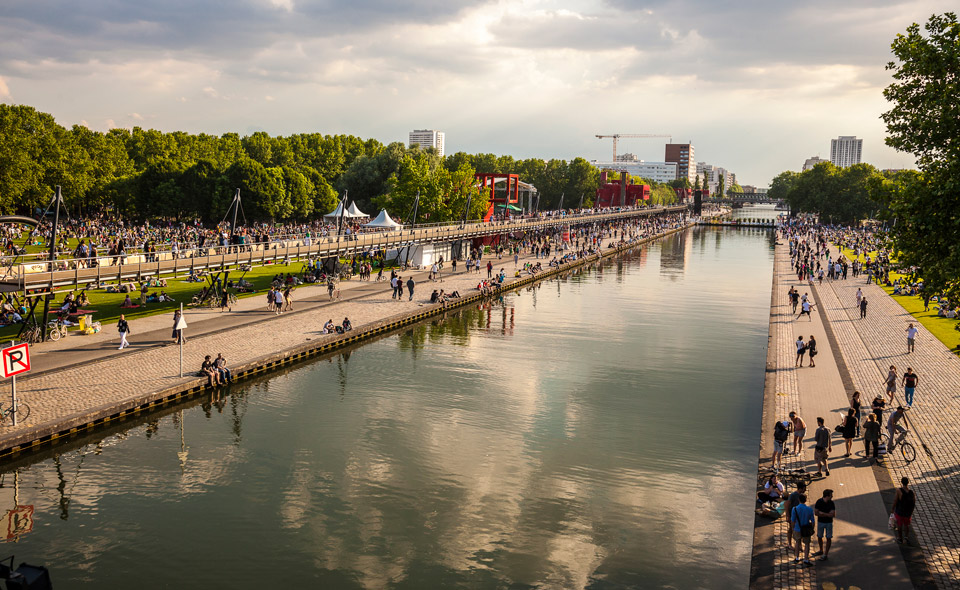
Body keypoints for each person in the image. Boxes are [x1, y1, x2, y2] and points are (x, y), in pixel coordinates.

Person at [791, 493, 815, 566]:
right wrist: (812, 529)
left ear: (799, 499)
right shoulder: (809, 509)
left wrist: (793, 528)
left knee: (797, 543)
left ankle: (797, 557)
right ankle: (806, 559)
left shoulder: (794, 509)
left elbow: (793, 520)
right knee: (807, 544)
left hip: (797, 528)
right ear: (805, 500)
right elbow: (813, 521)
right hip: (806, 530)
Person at [813, 489, 836, 561]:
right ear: (827, 496)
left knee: (828, 537)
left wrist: (823, 513)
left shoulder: (831, 503)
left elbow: (833, 514)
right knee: (819, 536)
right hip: (821, 522)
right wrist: (827, 514)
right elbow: (816, 513)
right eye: (831, 495)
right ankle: (821, 550)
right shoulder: (819, 502)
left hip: (828, 523)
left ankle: (825, 554)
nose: (832, 496)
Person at [785, 481, 807, 552]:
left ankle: (799, 545)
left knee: (799, 530)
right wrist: (788, 515)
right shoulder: (793, 495)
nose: (805, 490)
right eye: (804, 488)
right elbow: (787, 504)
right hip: (792, 515)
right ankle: (789, 544)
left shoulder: (802, 495)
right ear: (800, 488)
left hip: (799, 516)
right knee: (791, 530)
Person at [892, 476, 916, 544]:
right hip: (908, 512)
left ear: (901, 482)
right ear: (908, 483)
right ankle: (906, 537)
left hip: (900, 511)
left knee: (899, 524)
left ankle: (900, 538)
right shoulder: (912, 492)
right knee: (906, 525)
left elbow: (895, 501)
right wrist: (911, 512)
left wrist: (892, 509)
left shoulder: (899, 491)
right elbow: (914, 502)